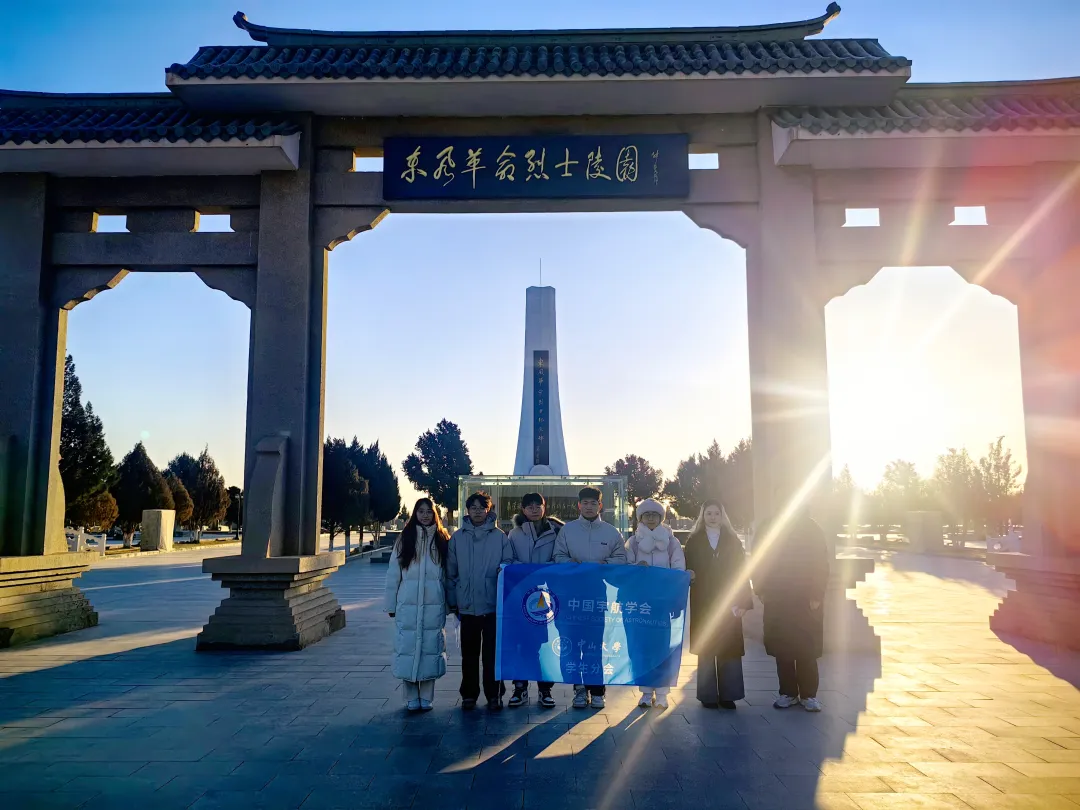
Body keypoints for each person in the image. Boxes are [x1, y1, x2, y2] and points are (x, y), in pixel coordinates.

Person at [553, 486, 627, 709]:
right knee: (572, 646)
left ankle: (597, 691)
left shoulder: (611, 532)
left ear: (600, 506)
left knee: (594, 646)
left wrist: (605, 564)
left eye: (593, 503)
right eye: (585, 503)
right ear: (579, 505)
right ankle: (578, 690)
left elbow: (621, 558)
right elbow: (558, 555)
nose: (589, 507)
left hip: (596, 597)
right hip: (570, 597)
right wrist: (570, 564)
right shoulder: (567, 531)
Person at [754, 499, 830, 712]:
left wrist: (817, 594)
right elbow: (758, 560)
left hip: (805, 598)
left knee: (807, 648)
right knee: (783, 648)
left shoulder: (812, 528)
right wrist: (761, 590)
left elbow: (821, 563)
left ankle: (809, 695)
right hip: (777, 597)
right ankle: (787, 693)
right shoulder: (769, 527)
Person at [682, 499, 754, 710]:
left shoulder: (733, 541)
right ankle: (708, 696)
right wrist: (689, 576)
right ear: (702, 516)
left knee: (728, 646)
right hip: (703, 600)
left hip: (728, 599)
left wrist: (744, 601)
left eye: (716, 513)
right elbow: (685, 567)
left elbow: (742, 572)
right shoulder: (694, 541)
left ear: (723, 516)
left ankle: (729, 695)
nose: (713, 517)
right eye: (709, 513)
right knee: (706, 645)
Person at [383, 498, 452, 712]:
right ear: (415, 514)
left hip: (434, 605)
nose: (425, 515)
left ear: (434, 514)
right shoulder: (405, 539)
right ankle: (411, 696)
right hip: (408, 605)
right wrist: (391, 605)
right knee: (407, 649)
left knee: (431, 649)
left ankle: (427, 697)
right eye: (421, 511)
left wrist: (449, 603)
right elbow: (393, 574)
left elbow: (448, 575)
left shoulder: (442, 539)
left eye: (429, 512)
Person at [448, 491, 514, 711]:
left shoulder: (500, 537)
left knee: (492, 655)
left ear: (488, 510)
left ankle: (494, 694)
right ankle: (469, 694)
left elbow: (508, 562)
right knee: (469, 654)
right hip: (467, 605)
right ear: (468, 510)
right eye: (473, 508)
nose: (477, 511)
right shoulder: (458, 537)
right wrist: (453, 600)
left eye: (481, 508)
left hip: (492, 604)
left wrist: (502, 571)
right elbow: (451, 572)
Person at [626, 498, 687, 709]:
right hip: (640, 603)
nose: (651, 518)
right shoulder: (633, 542)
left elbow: (678, 569)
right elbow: (625, 569)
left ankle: (662, 693)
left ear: (661, 518)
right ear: (640, 518)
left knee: (662, 648)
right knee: (642, 648)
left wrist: (673, 596)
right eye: (646, 515)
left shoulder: (671, 542)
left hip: (663, 603)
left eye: (655, 514)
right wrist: (636, 567)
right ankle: (645, 692)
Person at [506, 492, 563, 709]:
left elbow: (559, 559)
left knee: (543, 645)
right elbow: (509, 560)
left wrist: (541, 570)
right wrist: (525, 570)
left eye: (538, 505)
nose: (534, 509)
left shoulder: (556, 532)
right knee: (521, 643)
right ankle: (520, 688)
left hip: (546, 595)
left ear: (544, 507)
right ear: (523, 509)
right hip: (520, 596)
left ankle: (545, 690)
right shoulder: (514, 534)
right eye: (529, 506)